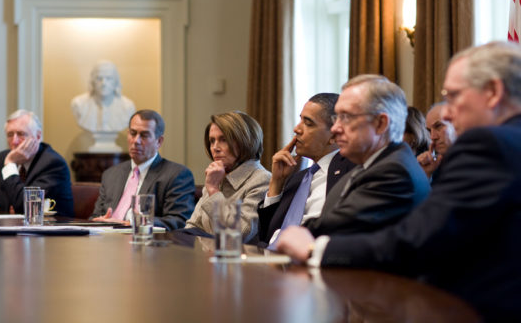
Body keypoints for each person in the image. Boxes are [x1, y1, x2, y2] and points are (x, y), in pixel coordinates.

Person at [276, 41, 521, 321]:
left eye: (453, 96)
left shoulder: (490, 144)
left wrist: (314, 249)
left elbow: (418, 240)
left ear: (492, 92)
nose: (448, 113)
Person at [302, 75, 430, 237]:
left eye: (346, 117)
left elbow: (335, 229)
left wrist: (296, 234)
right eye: (337, 117)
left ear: (380, 124)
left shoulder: (394, 171)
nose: (335, 128)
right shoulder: (367, 166)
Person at [257, 93, 356, 248]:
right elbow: (266, 236)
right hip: (272, 259)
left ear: (334, 135)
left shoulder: (350, 173)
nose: (297, 129)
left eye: (308, 123)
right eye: (300, 120)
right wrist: (276, 183)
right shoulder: (299, 178)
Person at [90, 109, 195, 230]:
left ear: (159, 141)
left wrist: (132, 223)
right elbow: (95, 217)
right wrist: (100, 221)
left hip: (145, 243)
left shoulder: (177, 175)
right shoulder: (111, 174)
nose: (136, 141)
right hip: (107, 241)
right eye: (133, 133)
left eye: (144, 135)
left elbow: (179, 221)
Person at [0, 109, 74, 216]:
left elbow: (24, 207)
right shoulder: (2, 158)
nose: (14, 141)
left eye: (21, 134)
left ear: (38, 136)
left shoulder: (53, 164)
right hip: (7, 233)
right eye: (10, 135)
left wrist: (10, 164)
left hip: (50, 234)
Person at [183, 111, 271, 242]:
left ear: (245, 141)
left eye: (223, 140)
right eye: (212, 141)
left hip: (241, 260)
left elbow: (240, 233)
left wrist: (213, 190)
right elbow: (193, 227)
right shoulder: (218, 175)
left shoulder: (262, 179)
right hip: (206, 257)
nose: (215, 148)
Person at [71, 60, 136, 132]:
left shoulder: (127, 107)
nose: (104, 83)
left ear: (115, 81)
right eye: (99, 78)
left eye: (109, 78)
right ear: (92, 81)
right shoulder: (79, 104)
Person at [416, 102, 457, 177]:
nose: (432, 137)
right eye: (429, 131)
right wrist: (426, 175)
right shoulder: (435, 165)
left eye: (438, 126)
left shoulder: (477, 159)